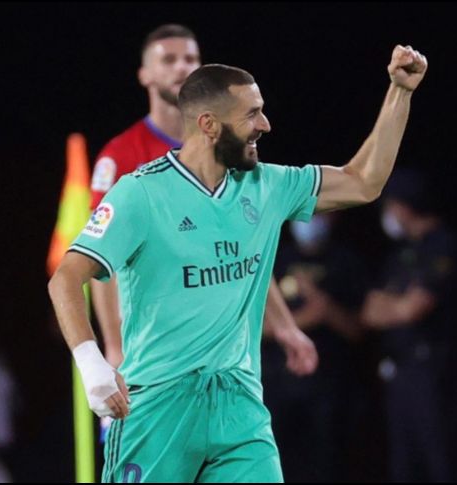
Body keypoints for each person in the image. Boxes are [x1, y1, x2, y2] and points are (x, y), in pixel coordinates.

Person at [49, 44, 427, 482]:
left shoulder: (267, 185)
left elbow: (363, 182)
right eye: (252, 114)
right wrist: (91, 362)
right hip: (157, 406)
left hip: (239, 408)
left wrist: (400, 92)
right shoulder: (140, 194)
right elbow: (66, 277)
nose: (265, 125)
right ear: (208, 125)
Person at [89, 24, 310, 376]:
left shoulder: (229, 147)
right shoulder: (121, 156)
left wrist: (283, 324)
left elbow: (240, 245)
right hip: (155, 349)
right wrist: (114, 350)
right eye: (169, 59)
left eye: (190, 58)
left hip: (222, 348)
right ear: (144, 74)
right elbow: (99, 262)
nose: (181, 67)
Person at [360, 168, 457, 482]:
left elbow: (412, 309)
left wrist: (397, 306)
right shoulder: (400, 254)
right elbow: (368, 312)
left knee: (441, 461)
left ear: (405, 206)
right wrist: (398, 306)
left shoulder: (442, 245)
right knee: (404, 466)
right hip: (399, 371)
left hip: (434, 371)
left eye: (391, 205)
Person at [262, 213, 368, 482]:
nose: (311, 220)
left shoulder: (346, 262)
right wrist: (301, 322)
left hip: (330, 386)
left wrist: (323, 308)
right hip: (278, 384)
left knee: (328, 463)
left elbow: (358, 327)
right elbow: (253, 324)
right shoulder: (274, 258)